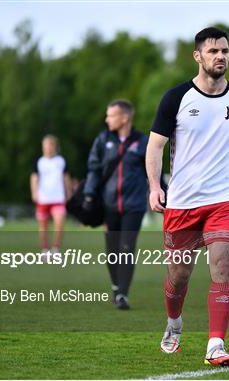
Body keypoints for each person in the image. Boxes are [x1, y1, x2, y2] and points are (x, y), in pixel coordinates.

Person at [146, 27, 229, 366]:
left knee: (222, 265)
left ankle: (216, 345)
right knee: (179, 278)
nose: (220, 56)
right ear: (198, 56)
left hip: (224, 198)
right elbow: (155, 146)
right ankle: (174, 323)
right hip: (181, 202)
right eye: (213, 51)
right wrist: (155, 186)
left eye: (224, 51)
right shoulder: (176, 98)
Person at [83, 99, 149, 310]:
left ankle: (122, 294)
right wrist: (89, 195)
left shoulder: (143, 141)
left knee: (126, 248)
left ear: (125, 118)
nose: (106, 119)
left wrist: (164, 191)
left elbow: (153, 170)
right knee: (112, 250)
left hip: (134, 206)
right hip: (109, 205)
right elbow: (94, 169)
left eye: (111, 115)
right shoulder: (103, 140)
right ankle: (115, 286)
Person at [30, 134, 71, 258]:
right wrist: (34, 192)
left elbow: (66, 178)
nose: (48, 148)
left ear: (55, 146)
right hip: (43, 198)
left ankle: (56, 249)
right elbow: (34, 177)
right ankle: (44, 249)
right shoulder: (39, 162)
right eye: (45, 145)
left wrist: (68, 192)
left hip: (58, 197)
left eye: (50, 145)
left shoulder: (61, 161)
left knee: (59, 224)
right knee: (43, 226)